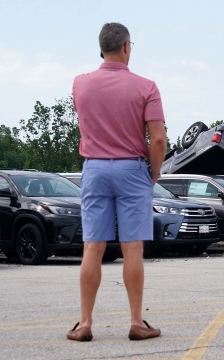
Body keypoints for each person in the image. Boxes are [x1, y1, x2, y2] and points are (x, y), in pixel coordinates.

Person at [67, 22, 167, 342]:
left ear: (102, 49)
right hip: (132, 169)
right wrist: (152, 173)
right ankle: (137, 322)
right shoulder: (146, 87)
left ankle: (84, 323)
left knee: (92, 248)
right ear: (126, 47)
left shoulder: (80, 85)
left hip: (95, 169)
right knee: (132, 247)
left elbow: (86, 119)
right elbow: (159, 140)